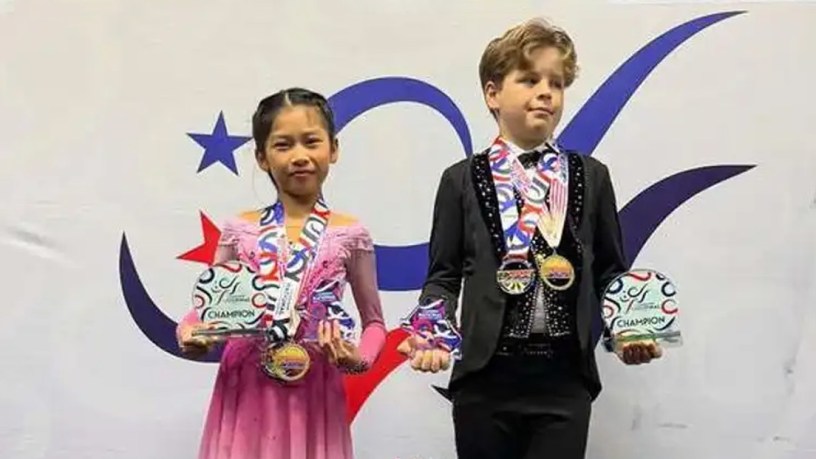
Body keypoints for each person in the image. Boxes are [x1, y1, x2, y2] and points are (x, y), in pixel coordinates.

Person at [398, 18, 662, 459]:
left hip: (564, 379)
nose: (546, 92)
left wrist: (629, 327)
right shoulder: (460, 179)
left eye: (556, 83)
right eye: (529, 79)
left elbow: (610, 271)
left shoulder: (591, 176)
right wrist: (431, 332)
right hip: (485, 379)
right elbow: (444, 274)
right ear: (493, 93)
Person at [176, 88, 387, 459]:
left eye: (311, 142)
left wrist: (359, 358)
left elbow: (374, 323)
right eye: (283, 145)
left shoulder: (351, 235)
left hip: (315, 389)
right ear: (262, 157)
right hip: (245, 389)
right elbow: (208, 308)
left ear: (333, 149)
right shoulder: (238, 230)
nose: (299, 156)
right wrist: (190, 331)